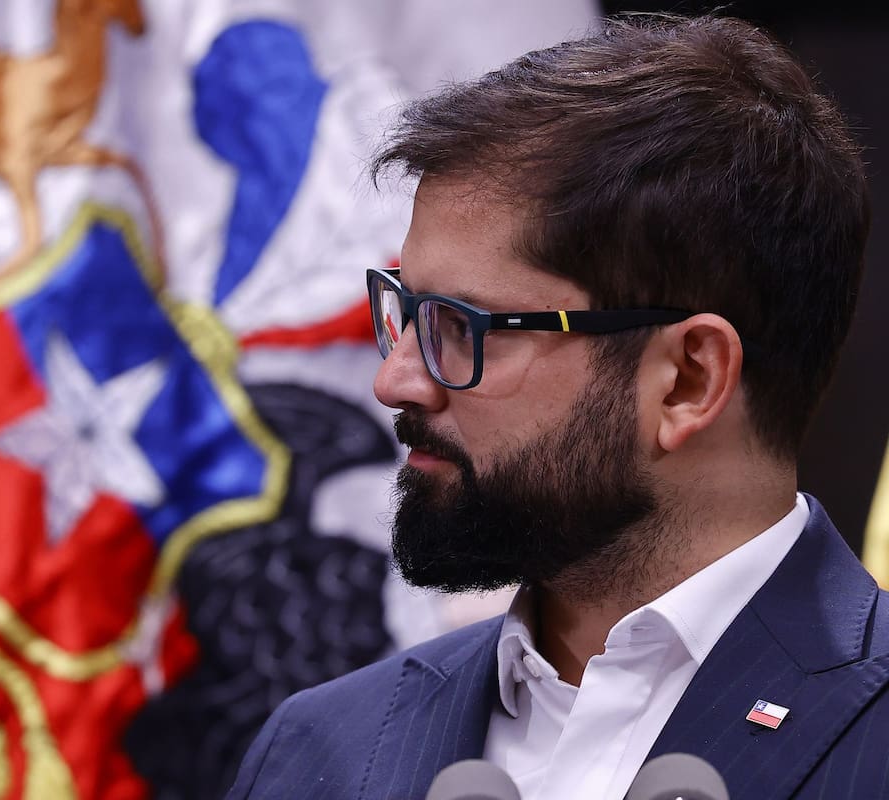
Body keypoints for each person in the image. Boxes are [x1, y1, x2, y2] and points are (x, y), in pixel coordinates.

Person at [225, 14, 889, 800]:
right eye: (405, 311)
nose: (396, 381)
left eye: (463, 328)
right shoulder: (317, 750)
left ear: (686, 380)